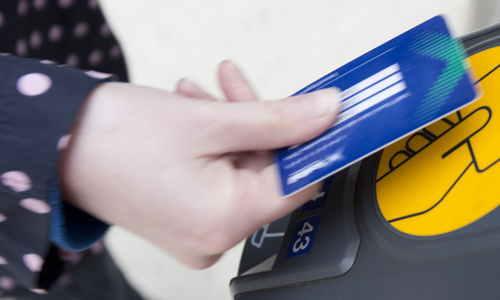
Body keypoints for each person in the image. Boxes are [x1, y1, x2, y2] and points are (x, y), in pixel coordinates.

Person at [0, 0, 340, 298]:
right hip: (16, 218)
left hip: (42, 42)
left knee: (89, 267)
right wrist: (65, 139)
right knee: (68, 281)